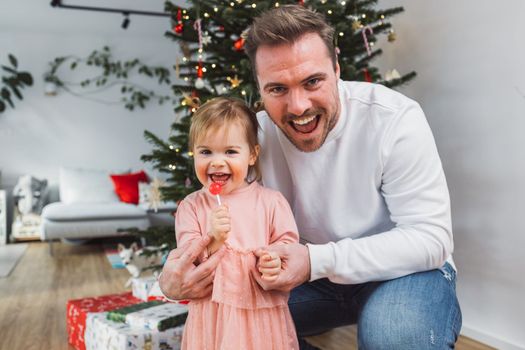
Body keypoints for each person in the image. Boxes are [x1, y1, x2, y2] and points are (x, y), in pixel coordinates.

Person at [159, 5, 462, 349]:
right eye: (277, 89)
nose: (299, 106)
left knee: (395, 338)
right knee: (231, 326)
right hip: (307, 279)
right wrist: (169, 280)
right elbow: (207, 219)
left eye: (312, 81)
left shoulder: (394, 119)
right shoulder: (248, 141)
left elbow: (431, 239)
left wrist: (316, 260)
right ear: (259, 87)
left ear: (336, 67)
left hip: (403, 273)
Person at [174, 96, 300, 349]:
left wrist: (274, 260)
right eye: (206, 152)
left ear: (252, 155)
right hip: (213, 315)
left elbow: (288, 245)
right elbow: (187, 260)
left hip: (261, 315)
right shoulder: (191, 206)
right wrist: (212, 240)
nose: (217, 161)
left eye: (230, 151)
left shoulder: (271, 202)